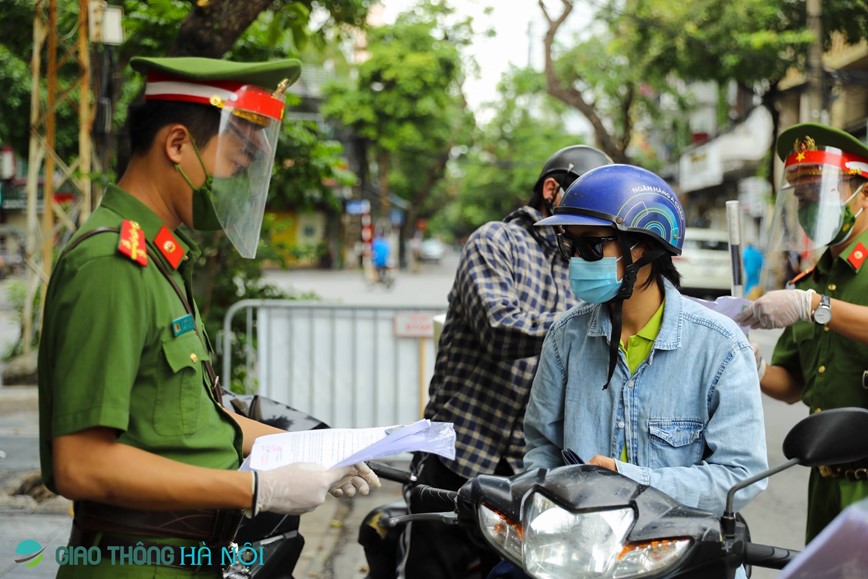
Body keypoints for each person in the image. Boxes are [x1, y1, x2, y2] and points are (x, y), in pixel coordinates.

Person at [38, 56, 379, 578]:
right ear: (176, 145)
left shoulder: (159, 260)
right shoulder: (111, 263)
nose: (238, 177)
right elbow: (81, 465)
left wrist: (313, 447)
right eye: (236, 157)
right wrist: (257, 488)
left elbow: (189, 423)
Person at [396, 145, 613, 578]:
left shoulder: (583, 267)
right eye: (586, 202)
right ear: (552, 190)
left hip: (527, 471)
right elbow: (500, 329)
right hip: (457, 453)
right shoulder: (496, 241)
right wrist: (589, 321)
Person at [524, 163, 768, 520]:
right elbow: (542, 447)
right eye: (569, 244)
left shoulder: (720, 346)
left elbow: (740, 476)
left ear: (644, 247)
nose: (577, 260)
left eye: (591, 246)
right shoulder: (565, 338)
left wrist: (629, 482)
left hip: (682, 554)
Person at [734, 123, 868, 541]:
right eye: (803, 200)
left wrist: (817, 308)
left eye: (821, 195)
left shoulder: (812, 298)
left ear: (864, 192)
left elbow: (823, 312)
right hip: (824, 479)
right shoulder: (811, 281)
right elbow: (791, 385)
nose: (811, 210)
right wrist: (751, 365)